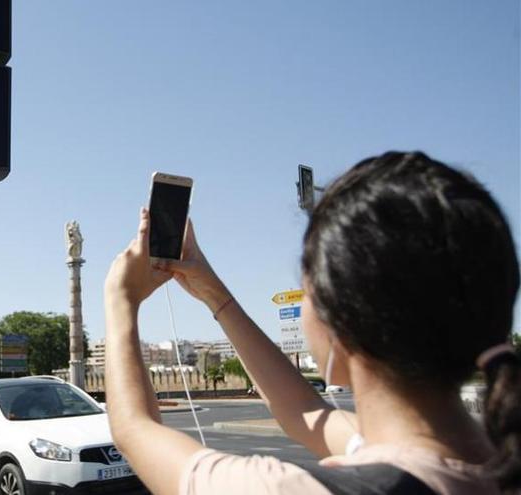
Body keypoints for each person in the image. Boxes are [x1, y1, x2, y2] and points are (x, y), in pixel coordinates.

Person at [104, 152, 520, 494]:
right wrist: (214, 293)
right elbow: (305, 414)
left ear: (340, 322)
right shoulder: (491, 459)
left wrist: (120, 299)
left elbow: (135, 431)